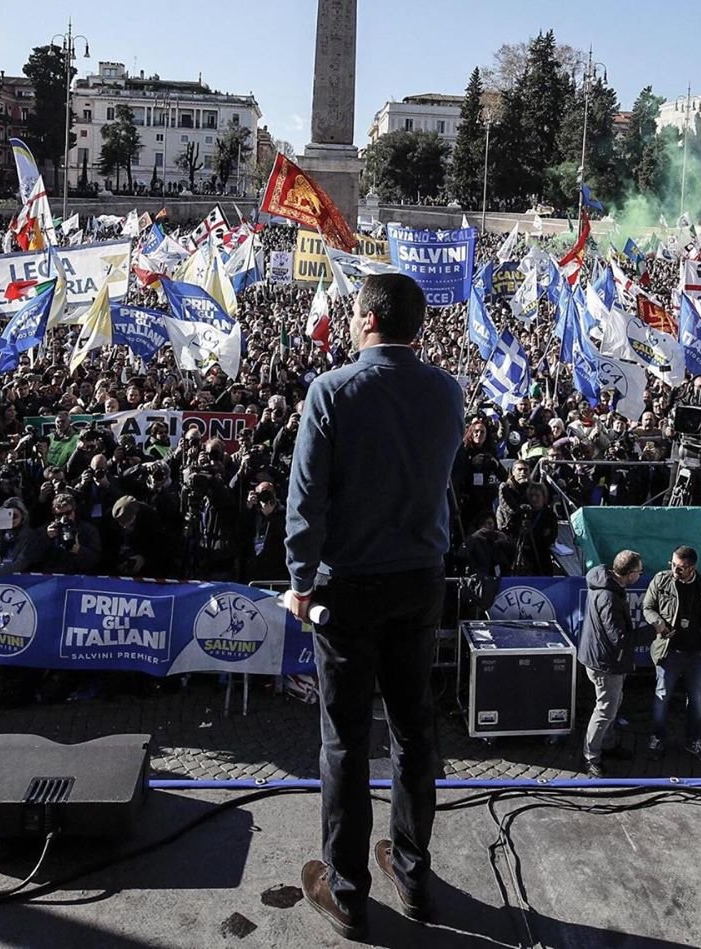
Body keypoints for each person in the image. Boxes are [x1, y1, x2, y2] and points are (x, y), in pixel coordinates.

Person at [281, 273, 464, 940]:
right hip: (420, 580)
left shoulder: (330, 391)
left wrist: (300, 582)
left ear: (363, 320)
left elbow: (305, 506)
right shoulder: (449, 392)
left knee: (346, 740)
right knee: (415, 731)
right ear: (418, 328)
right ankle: (413, 877)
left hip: (348, 586)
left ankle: (349, 890)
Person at [641, 544, 701, 759]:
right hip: (668, 651)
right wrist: (658, 622)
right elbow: (647, 606)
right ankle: (657, 738)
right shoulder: (662, 580)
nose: (675, 570)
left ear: (692, 568)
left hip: (697, 653)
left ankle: (693, 739)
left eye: (680, 567)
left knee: (695, 698)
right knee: (662, 695)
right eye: (673, 565)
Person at [577, 547, 652, 777]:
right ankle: (592, 755)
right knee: (606, 709)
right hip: (605, 661)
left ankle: (606, 745)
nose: (640, 575)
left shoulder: (605, 583)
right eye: (639, 571)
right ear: (629, 573)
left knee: (612, 704)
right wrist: (653, 631)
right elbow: (620, 638)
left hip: (602, 657)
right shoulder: (609, 597)